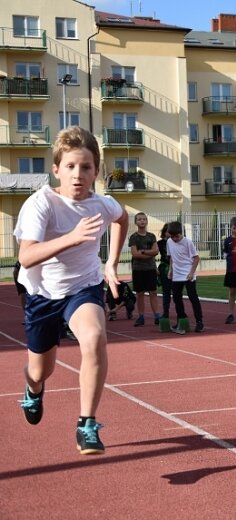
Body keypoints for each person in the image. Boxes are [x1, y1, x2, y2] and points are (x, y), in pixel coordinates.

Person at [14, 126, 129, 455]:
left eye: (86, 167)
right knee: (40, 371)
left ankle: (87, 423)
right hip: (42, 294)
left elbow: (122, 219)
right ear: (56, 170)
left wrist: (111, 263)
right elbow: (26, 256)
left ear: (96, 171)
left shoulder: (103, 204)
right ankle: (33, 390)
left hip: (84, 287)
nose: (78, 175)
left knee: (94, 338)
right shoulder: (41, 204)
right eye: (70, 166)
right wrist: (72, 237)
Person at [167, 221, 204, 334]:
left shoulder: (188, 242)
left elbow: (196, 258)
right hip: (177, 275)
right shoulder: (169, 242)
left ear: (181, 233)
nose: (175, 239)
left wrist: (192, 272)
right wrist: (170, 270)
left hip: (188, 273)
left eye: (177, 236)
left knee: (193, 297)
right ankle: (181, 319)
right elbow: (172, 257)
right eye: (172, 236)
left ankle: (199, 321)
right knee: (177, 299)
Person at [128, 212, 159, 326]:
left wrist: (144, 251)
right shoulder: (133, 237)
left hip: (150, 268)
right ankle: (141, 317)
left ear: (147, 221)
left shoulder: (151, 236)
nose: (142, 221)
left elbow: (156, 251)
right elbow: (135, 254)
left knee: (153, 292)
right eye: (139, 219)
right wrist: (149, 254)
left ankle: (157, 316)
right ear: (136, 222)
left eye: (144, 219)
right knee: (140, 293)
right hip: (138, 269)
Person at [157, 223, 172, 322]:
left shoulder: (177, 242)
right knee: (166, 291)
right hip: (164, 268)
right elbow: (153, 253)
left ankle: (180, 312)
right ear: (164, 232)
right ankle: (165, 312)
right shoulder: (160, 243)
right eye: (167, 231)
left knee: (177, 291)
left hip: (176, 268)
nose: (169, 234)